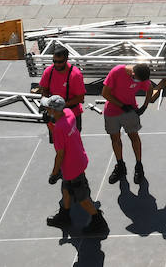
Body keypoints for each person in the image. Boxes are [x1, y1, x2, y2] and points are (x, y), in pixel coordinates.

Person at [42, 96, 108, 235]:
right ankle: (64, 216)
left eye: (48, 108)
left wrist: (54, 173)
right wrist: (50, 123)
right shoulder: (69, 113)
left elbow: (60, 154)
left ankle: (98, 221)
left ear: (54, 110)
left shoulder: (59, 128)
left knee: (82, 198)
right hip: (79, 159)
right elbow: (63, 131)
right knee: (66, 189)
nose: (46, 109)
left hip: (71, 167)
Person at [102, 63, 154, 185]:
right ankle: (120, 165)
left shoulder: (141, 77)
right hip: (112, 112)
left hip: (130, 111)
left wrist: (145, 106)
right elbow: (105, 93)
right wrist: (121, 106)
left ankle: (139, 166)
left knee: (134, 137)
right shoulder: (117, 72)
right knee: (115, 139)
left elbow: (150, 88)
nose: (138, 82)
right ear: (133, 74)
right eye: (137, 80)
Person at [36, 46, 86, 133]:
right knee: (58, 142)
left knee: (72, 143)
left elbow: (80, 98)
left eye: (60, 62)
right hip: (54, 114)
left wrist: (62, 105)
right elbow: (44, 89)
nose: (57, 64)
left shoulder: (75, 75)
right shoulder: (49, 71)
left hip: (72, 114)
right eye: (54, 61)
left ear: (66, 59)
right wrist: (46, 104)